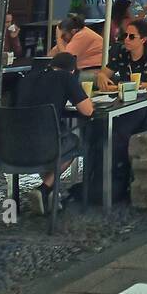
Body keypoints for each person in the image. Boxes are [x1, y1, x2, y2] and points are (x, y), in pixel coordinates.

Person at [95, 18, 147, 199]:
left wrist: (132, 86)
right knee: (103, 128)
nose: (126, 39)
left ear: (143, 40)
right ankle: (107, 179)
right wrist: (102, 78)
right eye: (124, 35)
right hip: (125, 104)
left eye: (131, 36)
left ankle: (119, 177)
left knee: (120, 132)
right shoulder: (121, 53)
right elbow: (105, 73)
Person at [17, 53, 94, 216]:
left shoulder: (28, 77)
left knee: (57, 140)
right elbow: (87, 110)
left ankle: (51, 195)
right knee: (74, 142)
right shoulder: (66, 77)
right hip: (43, 147)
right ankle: (44, 189)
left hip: (13, 147)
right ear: (72, 71)